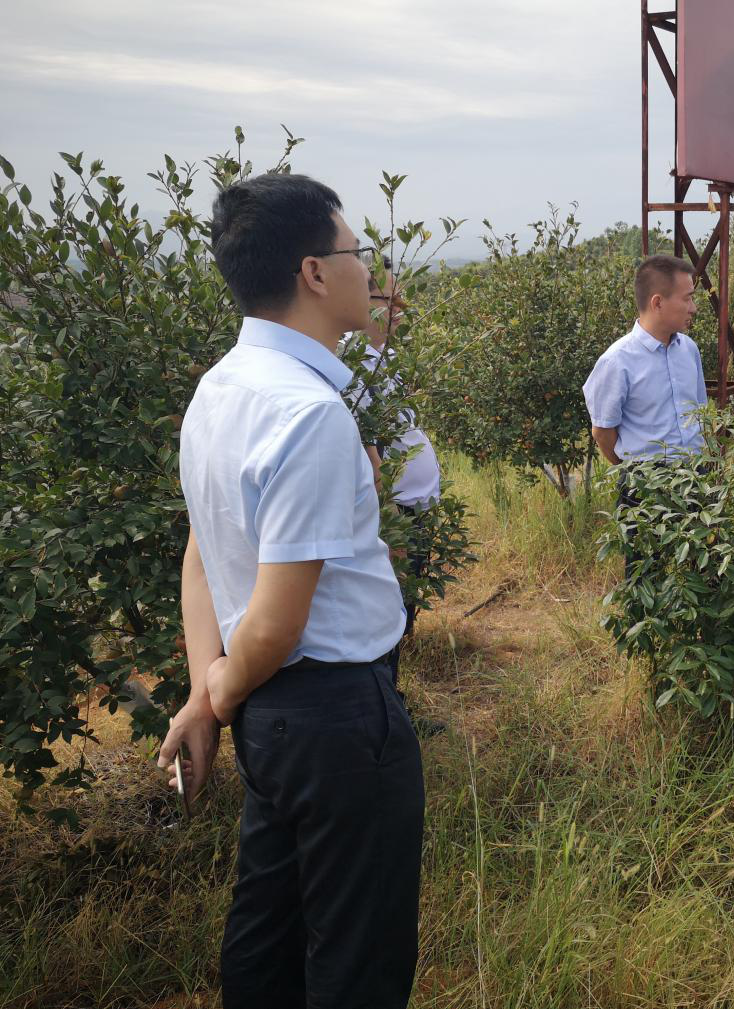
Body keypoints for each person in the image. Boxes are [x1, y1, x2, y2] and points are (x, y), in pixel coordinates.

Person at [156, 173, 424, 1008]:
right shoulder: (307, 413)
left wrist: (207, 695)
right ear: (314, 271)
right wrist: (225, 690)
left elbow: (201, 558)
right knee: (355, 957)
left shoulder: (217, 391)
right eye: (356, 254)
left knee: (266, 935)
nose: (367, 274)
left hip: (275, 724)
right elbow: (273, 624)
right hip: (335, 716)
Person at [349, 259, 442, 684]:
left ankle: (396, 704)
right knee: (385, 616)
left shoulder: (384, 361)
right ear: (365, 301)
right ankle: (388, 711)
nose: (401, 309)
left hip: (410, 512)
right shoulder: (352, 369)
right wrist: (387, 526)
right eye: (393, 300)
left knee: (400, 613)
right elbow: (366, 454)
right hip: (393, 517)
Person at [582, 254, 705, 572]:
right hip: (645, 487)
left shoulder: (689, 350)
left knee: (702, 575)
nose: (693, 308)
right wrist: (634, 472)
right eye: (687, 298)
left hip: (696, 480)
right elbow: (603, 432)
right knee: (646, 576)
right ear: (657, 302)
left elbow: (701, 417)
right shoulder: (617, 361)